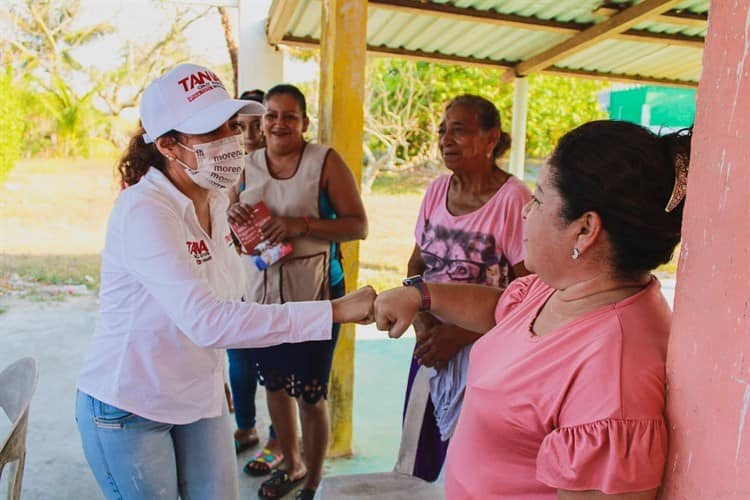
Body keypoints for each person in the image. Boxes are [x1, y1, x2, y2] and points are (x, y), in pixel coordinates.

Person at [75, 63, 374, 500]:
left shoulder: (216, 201)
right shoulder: (145, 211)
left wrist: (215, 375)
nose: (231, 141)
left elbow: (225, 291)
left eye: (230, 125)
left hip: (197, 395)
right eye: (210, 131)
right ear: (168, 145)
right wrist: (334, 310)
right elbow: (208, 320)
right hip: (130, 406)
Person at [374, 120, 691, 499]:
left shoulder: (612, 376)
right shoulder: (564, 287)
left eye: (539, 198)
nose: (525, 211)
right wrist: (422, 295)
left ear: (585, 229)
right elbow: (503, 310)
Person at [227, 83, 368, 500]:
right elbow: (234, 235)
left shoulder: (324, 161)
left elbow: (357, 225)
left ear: (305, 123)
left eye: (290, 116)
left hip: (316, 296)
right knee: (274, 386)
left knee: (310, 393)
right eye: (272, 115)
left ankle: (314, 478)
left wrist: (300, 224)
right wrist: (235, 220)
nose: (279, 123)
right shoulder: (247, 164)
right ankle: (291, 463)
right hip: (264, 299)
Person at [403, 94, 530, 480]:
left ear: (491, 138)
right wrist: (422, 323)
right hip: (429, 345)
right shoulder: (436, 192)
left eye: (459, 130)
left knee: (470, 463)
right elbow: (415, 265)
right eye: (443, 131)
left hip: (484, 353)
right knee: (417, 456)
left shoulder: (514, 200)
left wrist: (457, 336)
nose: (446, 140)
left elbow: (527, 295)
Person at [224, 88, 285, 469]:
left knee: (277, 365)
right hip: (238, 280)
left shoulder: (282, 168)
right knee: (240, 361)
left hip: (280, 281)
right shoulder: (228, 170)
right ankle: (245, 427)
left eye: (254, 125)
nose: (247, 134)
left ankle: (279, 441)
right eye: (238, 126)